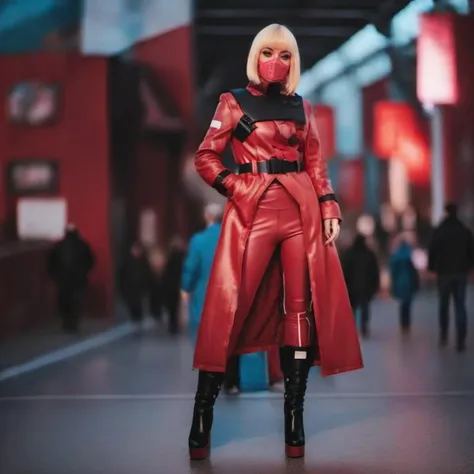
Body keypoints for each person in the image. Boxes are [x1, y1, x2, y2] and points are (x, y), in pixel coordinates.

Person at [188, 24, 363, 461]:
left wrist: (329, 208)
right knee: (231, 305)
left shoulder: (302, 107)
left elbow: (317, 164)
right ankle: (202, 414)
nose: (276, 61)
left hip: (300, 209)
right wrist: (235, 186)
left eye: (285, 54)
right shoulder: (233, 102)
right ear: (255, 55)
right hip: (252, 211)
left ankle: (294, 419)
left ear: (293, 60)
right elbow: (205, 155)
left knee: (299, 310)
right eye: (268, 52)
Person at [428, 203, 474, 351]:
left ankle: (444, 335)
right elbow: (471, 251)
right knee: (460, 306)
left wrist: (432, 268)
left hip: (444, 273)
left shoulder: (440, 230)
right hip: (460, 272)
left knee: (444, 305)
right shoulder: (464, 230)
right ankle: (461, 339)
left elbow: (432, 250)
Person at [47, 224, 95, 333]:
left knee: (64, 301)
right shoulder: (83, 245)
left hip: (63, 279)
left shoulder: (58, 246)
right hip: (79, 278)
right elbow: (91, 261)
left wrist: (55, 275)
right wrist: (84, 272)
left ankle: (66, 322)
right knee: (77, 301)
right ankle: (74, 323)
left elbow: (51, 263)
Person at [341, 234, 380, 338]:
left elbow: (344, 271)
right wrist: (375, 286)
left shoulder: (348, 254)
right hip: (366, 287)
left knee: (352, 309)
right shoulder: (369, 254)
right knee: (365, 308)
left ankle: (352, 328)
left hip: (351, 287)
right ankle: (364, 327)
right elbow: (375, 272)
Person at [389, 237, 420, 334]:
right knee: (408, 303)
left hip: (399, 281)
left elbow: (393, 271)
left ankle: (403, 323)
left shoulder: (395, 256)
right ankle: (407, 323)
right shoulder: (409, 256)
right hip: (409, 281)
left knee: (402, 303)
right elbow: (414, 271)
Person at [118, 242, 150, 329]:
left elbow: (147, 274)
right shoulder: (127, 261)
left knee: (138, 304)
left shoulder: (143, 262)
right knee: (132, 304)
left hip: (139, 287)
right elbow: (121, 275)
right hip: (130, 287)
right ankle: (135, 320)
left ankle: (138, 320)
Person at [163, 235, 187, 334]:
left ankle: (173, 325)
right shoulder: (183, 257)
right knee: (178, 306)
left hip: (170, 285)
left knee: (172, 306)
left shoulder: (170, 257)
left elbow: (166, 273)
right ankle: (176, 324)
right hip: (179, 284)